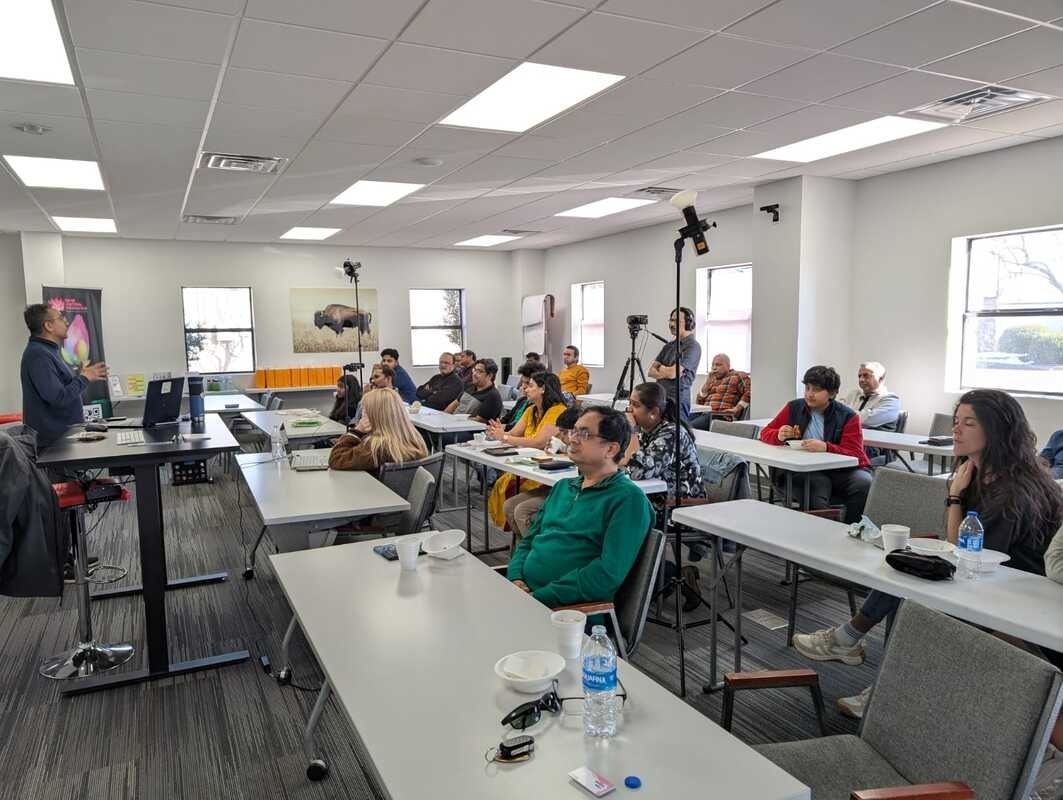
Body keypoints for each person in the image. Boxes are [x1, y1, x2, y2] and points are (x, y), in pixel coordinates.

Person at [792, 389, 1063, 719]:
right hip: (990, 582)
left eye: (968, 423)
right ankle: (864, 659)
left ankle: (879, 679)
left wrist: (954, 498)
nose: (956, 430)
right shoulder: (978, 473)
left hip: (1017, 597)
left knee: (914, 596)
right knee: (906, 566)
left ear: (995, 430)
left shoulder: (1013, 490)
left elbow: (968, 555)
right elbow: (962, 547)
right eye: (956, 421)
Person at [506, 406, 653, 607]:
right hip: (525, 597)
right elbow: (528, 541)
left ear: (611, 449)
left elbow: (606, 575)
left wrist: (540, 597)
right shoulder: (563, 487)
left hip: (571, 612)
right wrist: (515, 577)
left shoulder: (628, 499)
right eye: (573, 431)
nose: (572, 438)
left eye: (584, 433)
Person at [623, 382, 707, 611]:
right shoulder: (651, 431)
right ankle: (656, 577)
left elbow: (636, 471)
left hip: (678, 507)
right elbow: (626, 461)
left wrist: (630, 432)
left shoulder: (670, 433)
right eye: (630, 403)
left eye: (635, 405)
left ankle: (665, 576)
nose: (630, 410)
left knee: (625, 524)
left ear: (654, 412)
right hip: (656, 499)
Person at [759, 365, 872, 523]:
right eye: (807, 388)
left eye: (816, 390)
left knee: (863, 481)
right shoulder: (794, 407)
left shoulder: (848, 416)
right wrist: (778, 435)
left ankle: (852, 528)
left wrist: (827, 447)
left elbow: (857, 454)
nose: (809, 394)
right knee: (818, 483)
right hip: (800, 469)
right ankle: (819, 532)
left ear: (832, 393)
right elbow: (764, 433)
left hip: (839, 471)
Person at [487, 372, 568, 534]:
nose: (525, 389)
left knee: (512, 492)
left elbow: (539, 442)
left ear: (543, 389)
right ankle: (521, 545)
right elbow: (515, 434)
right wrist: (499, 432)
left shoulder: (557, 410)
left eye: (530, 385)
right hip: (530, 462)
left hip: (547, 470)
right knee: (503, 485)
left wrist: (504, 437)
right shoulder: (531, 410)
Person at [20, 304, 108, 448]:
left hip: (62, 438)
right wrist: (84, 378)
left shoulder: (48, 351)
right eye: (61, 318)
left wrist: (81, 377)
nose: (66, 321)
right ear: (48, 325)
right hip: (53, 444)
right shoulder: (39, 355)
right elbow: (57, 398)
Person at [328, 388, 428, 471]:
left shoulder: (376, 447)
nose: (362, 417)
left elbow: (336, 459)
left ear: (375, 417)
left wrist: (356, 431)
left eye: (365, 412)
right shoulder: (414, 439)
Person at [648, 307, 701, 421]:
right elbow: (651, 371)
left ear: (688, 323)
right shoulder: (668, 346)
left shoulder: (693, 346)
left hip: (678, 401)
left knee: (676, 435)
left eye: (676, 321)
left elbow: (673, 373)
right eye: (671, 320)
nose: (672, 324)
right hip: (661, 399)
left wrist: (662, 369)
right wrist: (667, 370)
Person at [691, 353, 750, 430]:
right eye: (713, 365)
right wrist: (707, 383)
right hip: (703, 414)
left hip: (721, 415)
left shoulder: (738, 375)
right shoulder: (712, 379)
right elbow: (699, 403)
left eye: (718, 365)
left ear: (728, 366)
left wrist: (736, 409)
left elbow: (749, 392)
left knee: (687, 428)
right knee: (677, 423)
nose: (714, 368)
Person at [840, 361, 901, 430]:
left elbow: (866, 420)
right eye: (859, 376)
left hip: (874, 439)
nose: (861, 379)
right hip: (847, 438)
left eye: (866, 376)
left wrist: (843, 413)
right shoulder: (854, 394)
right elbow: (835, 412)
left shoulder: (891, 400)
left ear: (880, 379)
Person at [446, 358, 503, 422]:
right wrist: (444, 417)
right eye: (474, 370)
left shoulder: (492, 396)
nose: (474, 374)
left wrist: (457, 420)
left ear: (490, 376)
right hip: (453, 423)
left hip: (467, 428)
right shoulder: (470, 387)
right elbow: (454, 404)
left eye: (479, 371)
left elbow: (479, 420)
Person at [351, 363, 394, 431]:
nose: (373, 381)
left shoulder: (390, 398)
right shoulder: (371, 396)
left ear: (388, 378)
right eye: (372, 378)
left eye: (376, 377)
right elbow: (358, 420)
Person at [500, 363, 537, 430]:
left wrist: (504, 427)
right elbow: (506, 418)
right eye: (523, 382)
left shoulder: (537, 407)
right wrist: (497, 424)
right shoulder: (522, 400)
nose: (524, 386)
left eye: (528, 383)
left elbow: (522, 428)